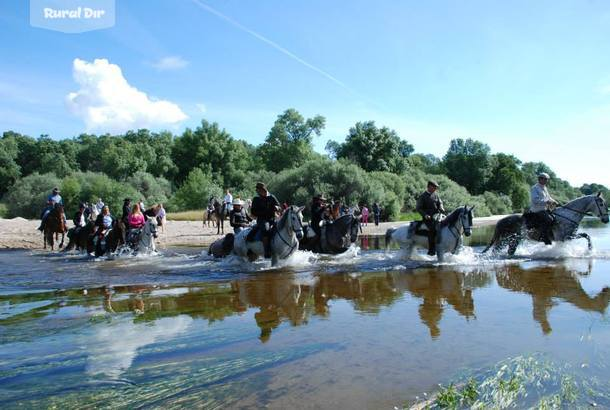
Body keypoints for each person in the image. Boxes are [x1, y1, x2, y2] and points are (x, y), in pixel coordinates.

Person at [250, 182, 280, 258]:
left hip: (272, 218)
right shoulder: (256, 199)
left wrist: (277, 208)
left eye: (258, 190)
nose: (257, 191)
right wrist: (263, 212)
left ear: (263, 189)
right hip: (262, 219)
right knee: (266, 229)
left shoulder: (272, 197)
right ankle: (267, 251)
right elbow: (253, 211)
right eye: (257, 190)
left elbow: (279, 206)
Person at [416, 181, 446, 256]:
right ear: (429, 187)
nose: (436, 188)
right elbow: (418, 208)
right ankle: (431, 250)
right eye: (434, 187)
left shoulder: (436, 195)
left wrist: (441, 208)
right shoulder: (423, 196)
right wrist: (425, 215)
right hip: (428, 218)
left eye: (436, 187)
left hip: (437, 216)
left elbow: (440, 203)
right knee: (432, 229)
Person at [529, 172, 558, 245]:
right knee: (549, 219)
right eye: (544, 179)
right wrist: (547, 202)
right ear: (539, 179)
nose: (546, 181)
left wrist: (553, 201)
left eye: (547, 179)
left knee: (556, 217)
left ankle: (552, 235)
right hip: (536, 210)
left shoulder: (544, 188)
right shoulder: (535, 188)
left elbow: (548, 197)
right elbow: (535, 200)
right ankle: (545, 237)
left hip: (544, 210)